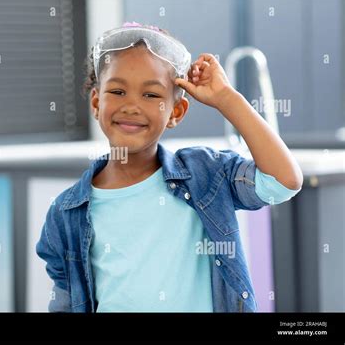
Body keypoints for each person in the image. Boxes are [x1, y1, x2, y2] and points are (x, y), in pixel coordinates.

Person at [36, 22, 303, 312]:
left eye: (151, 95)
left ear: (176, 112)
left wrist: (227, 99)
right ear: (97, 102)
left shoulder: (206, 175)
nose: (131, 106)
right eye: (117, 91)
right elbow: (65, 302)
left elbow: (283, 181)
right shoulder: (65, 212)